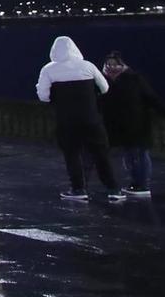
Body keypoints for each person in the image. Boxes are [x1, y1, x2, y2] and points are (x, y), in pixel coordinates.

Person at [38, 35, 124, 202]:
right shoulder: (87, 66)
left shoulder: (48, 69)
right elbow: (105, 88)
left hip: (66, 120)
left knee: (72, 155)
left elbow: (43, 96)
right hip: (90, 118)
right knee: (101, 154)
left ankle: (78, 189)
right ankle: (113, 189)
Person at [100, 50, 165, 199]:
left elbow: (152, 99)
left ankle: (142, 184)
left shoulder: (134, 79)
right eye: (109, 64)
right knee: (130, 155)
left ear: (121, 64)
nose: (111, 67)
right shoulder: (103, 81)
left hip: (137, 123)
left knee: (140, 153)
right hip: (119, 127)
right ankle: (136, 183)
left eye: (115, 64)